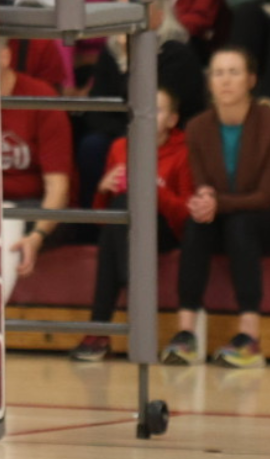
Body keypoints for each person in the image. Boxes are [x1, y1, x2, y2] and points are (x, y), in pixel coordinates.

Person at [162, 46, 270, 369]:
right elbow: (202, 186)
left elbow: (266, 196)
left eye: (234, 72)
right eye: (217, 73)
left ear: (251, 80)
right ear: (209, 82)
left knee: (241, 224)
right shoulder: (197, 127)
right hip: (223, 216)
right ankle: (185, 334)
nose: (225, 81)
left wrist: (215, 202)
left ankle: (249, 338)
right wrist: (202, 203)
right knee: (196, 224)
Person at [71, 84, 191, 363]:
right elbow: (104, 216)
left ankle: (99, 328)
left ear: (172, 120)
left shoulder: (183, 150)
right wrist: (103, 188)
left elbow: (184, 216)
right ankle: (132, 296)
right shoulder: (119, 147)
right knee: (120, 212)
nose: (147, 116)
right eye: (142, 110)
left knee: (122, 218)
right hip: (123, 229)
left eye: (157, 110)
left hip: (165, 228)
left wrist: (151, 189)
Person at [0, 48, 74, 305]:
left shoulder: (40, 98)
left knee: (7, 222)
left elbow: (58, 188)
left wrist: (38, 235)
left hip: (33, 205)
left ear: (5, 57)